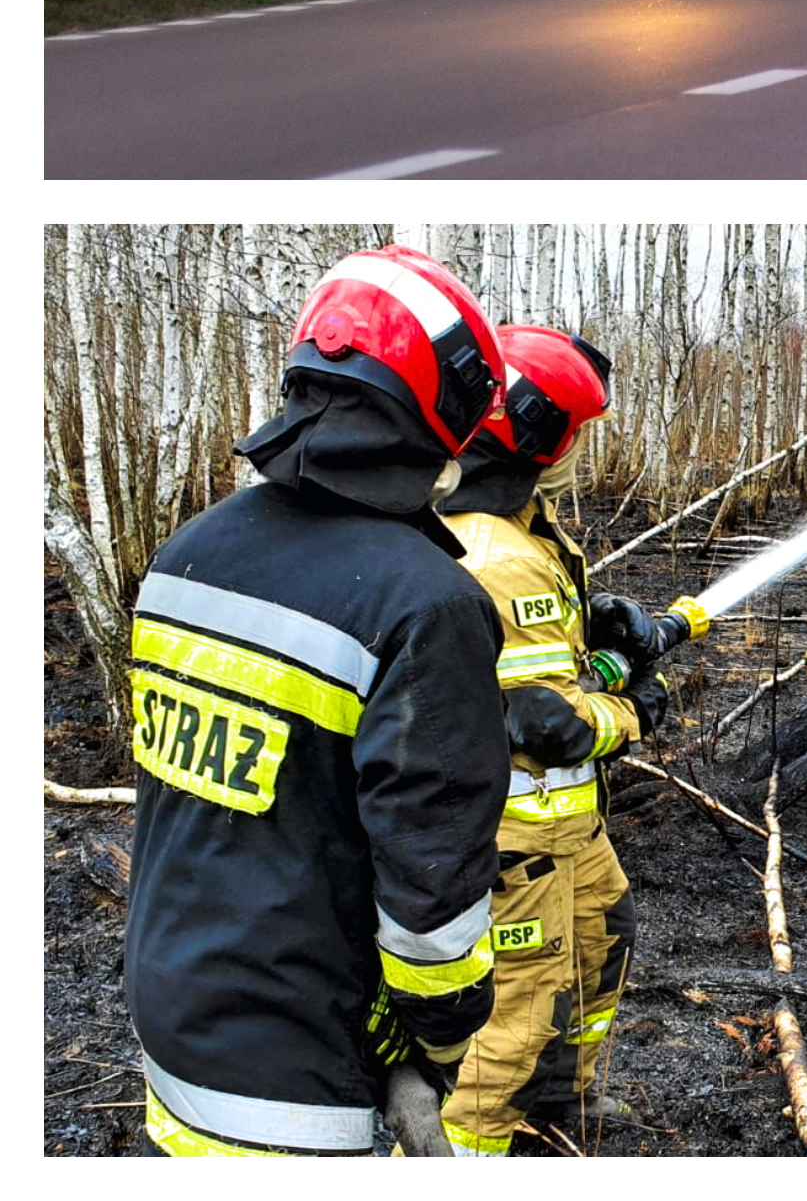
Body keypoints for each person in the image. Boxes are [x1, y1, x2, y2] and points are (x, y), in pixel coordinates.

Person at [125, 246, 515, 1157]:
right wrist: (441, 1044)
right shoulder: (427, 604)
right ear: (449, 406)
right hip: (301, 1076)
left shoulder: (188, 552)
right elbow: (435, 892)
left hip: (170, 1014)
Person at [438, 326, 659, 1156]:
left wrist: (597, 617)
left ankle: (559, 1107)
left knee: (606, 937)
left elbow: (535, 663)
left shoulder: (522, 524)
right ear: (537, 431)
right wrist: (639, 710)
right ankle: (466, 1149)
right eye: (574, 431)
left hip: (568, 835)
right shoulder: (495, 553)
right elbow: (547, 725)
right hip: (516, 842)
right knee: (514, 1022)